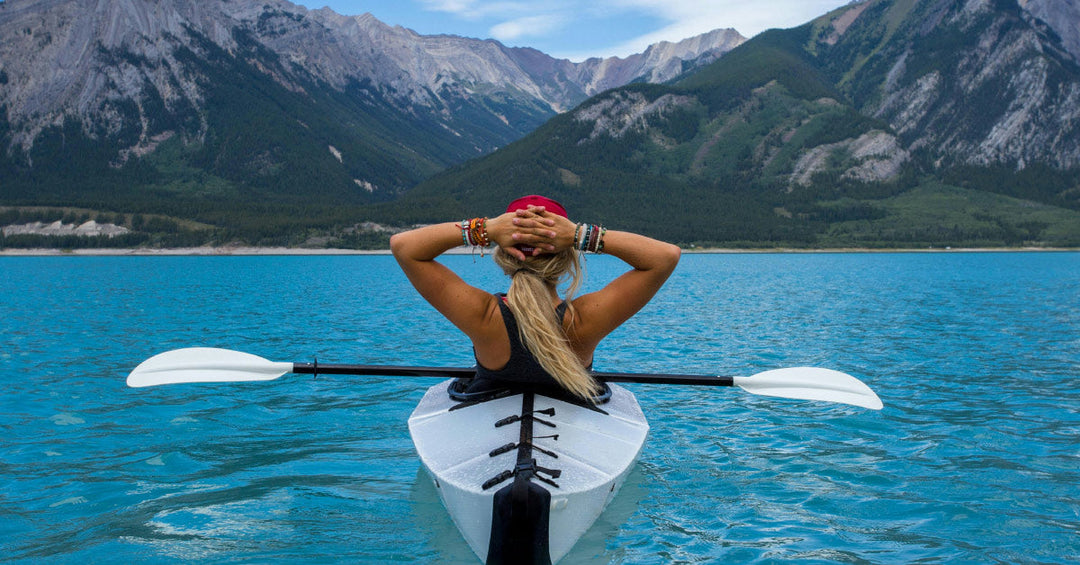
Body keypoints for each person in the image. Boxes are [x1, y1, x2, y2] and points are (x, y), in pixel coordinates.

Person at [390, 195, 680, 400]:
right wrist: (581, 234)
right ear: (568, 257)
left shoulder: (482, 316)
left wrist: (486, 228)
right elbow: (665, 256)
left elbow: (404, 247)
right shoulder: (583, 321)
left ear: (503, 254)